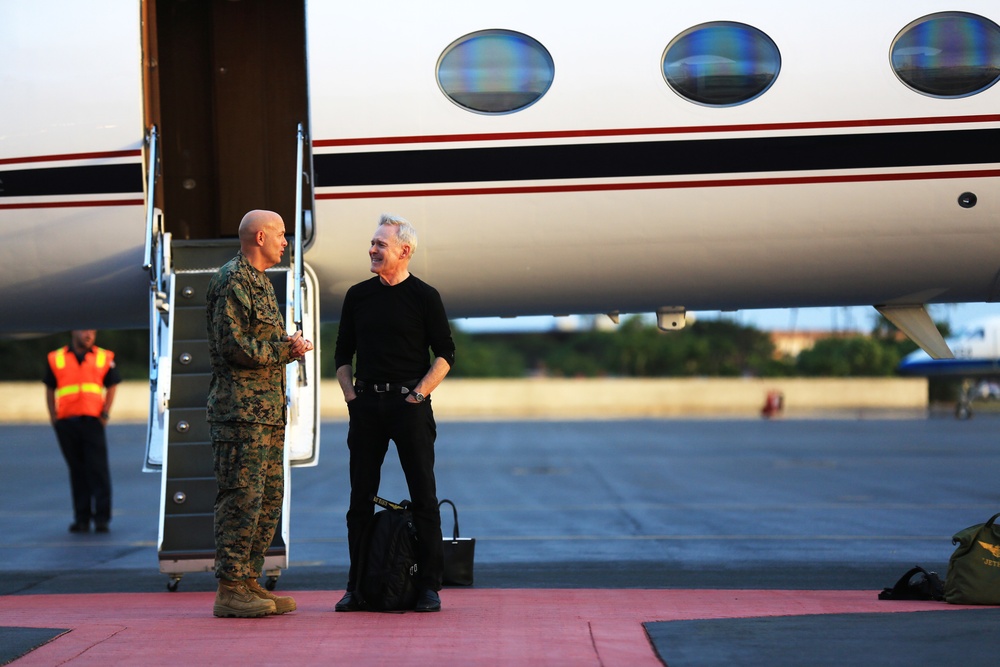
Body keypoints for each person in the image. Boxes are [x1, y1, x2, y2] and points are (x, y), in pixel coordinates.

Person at [334, 213, 455, 613]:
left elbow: (446, 355)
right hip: (367, 407)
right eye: (372, 243)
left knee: (424, 495)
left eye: (380, 244)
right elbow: (341, 355)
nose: (372, 249)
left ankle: (429, 588)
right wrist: (353, 398)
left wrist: (418, 396)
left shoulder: (425, 296)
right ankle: (355, 587)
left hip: (410, 407)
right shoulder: (358, 295)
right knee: (359, 499)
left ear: (404, 251)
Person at [205, 209, 313, 618]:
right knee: (241, 498)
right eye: (282, 235)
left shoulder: (261, 282)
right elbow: (235, 347)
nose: (286, 242)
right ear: (261, 236)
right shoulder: (233, 279)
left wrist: (283, 343)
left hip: (265, 413)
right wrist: (288, 350)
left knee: (267, 499)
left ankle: (248, 580)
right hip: (239, 414)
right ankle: (230, 588)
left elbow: (255, 341)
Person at [44, 329, 121, 534]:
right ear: (74, 331)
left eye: (93, 332)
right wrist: (54, 417)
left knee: (98, 470)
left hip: (92, 421)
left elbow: (112, 384)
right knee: (77, 471)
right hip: (66, 423)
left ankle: (102, 519)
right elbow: (50, 388)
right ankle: (82, 518)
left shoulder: (104, 357)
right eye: (85, 331)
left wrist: (105, 414)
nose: (90, 335)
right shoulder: (56, 358)